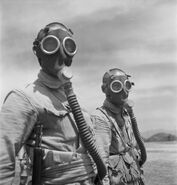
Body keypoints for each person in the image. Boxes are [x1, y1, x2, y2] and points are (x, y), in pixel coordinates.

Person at [0, 22, 106, 185]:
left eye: (68, 45)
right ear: (38, 51)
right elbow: (2, 164)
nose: (60, 52)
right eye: (51, 44)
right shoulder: (24, 98)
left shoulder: (76, 106)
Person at [91, 68, 147, 185]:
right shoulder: (101, 118)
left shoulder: (126, 114)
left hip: (133, 176)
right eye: (116, 86)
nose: (124, 91)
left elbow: (136, 147)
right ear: (105, 90)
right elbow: (101, 160)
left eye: (127, 85)